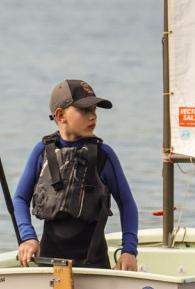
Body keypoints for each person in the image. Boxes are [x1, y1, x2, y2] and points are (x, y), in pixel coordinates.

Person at [13, 79, 139, 270]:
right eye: (85, 110)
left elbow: (127, 204)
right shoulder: (41, 152)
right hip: (48, 265)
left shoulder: (104, 156)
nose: (93, 117)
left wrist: (129, 251)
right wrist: (28, 238)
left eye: (94, 110)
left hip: (94, 266)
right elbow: (20, 199)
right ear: (60, 115)